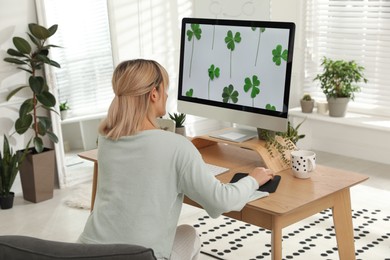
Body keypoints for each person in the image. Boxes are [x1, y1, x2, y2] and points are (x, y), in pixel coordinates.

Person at [78, 59, 274, 260]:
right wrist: (252, 180)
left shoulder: (107, 139)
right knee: (189, 234)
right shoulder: (176, 147)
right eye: (165, 87)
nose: (167, 94)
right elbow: (220, 201)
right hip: (141, 257)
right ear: (154, 93)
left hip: (87, 253)